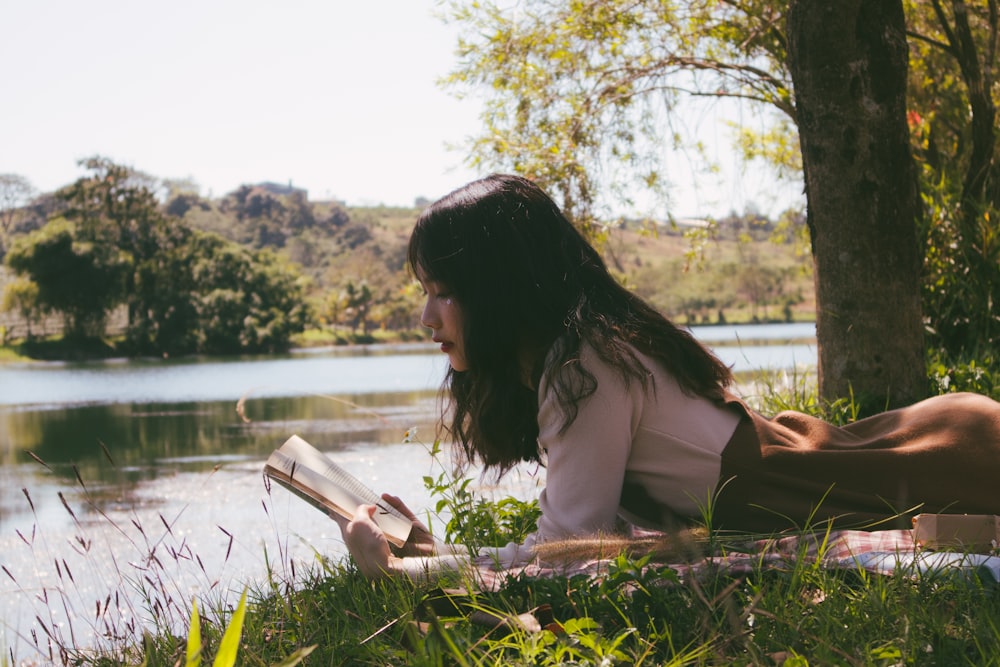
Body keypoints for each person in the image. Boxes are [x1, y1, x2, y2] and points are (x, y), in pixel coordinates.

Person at [334, 173, 1000, 579]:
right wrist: (430, 551)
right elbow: (594, 538)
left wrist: (428, 562)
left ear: (500, 289)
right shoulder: (582, 351)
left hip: (952, 462)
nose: (426, 315)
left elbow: (568, 548)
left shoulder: (584, 366)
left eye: (443, 290)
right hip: (908, 447)